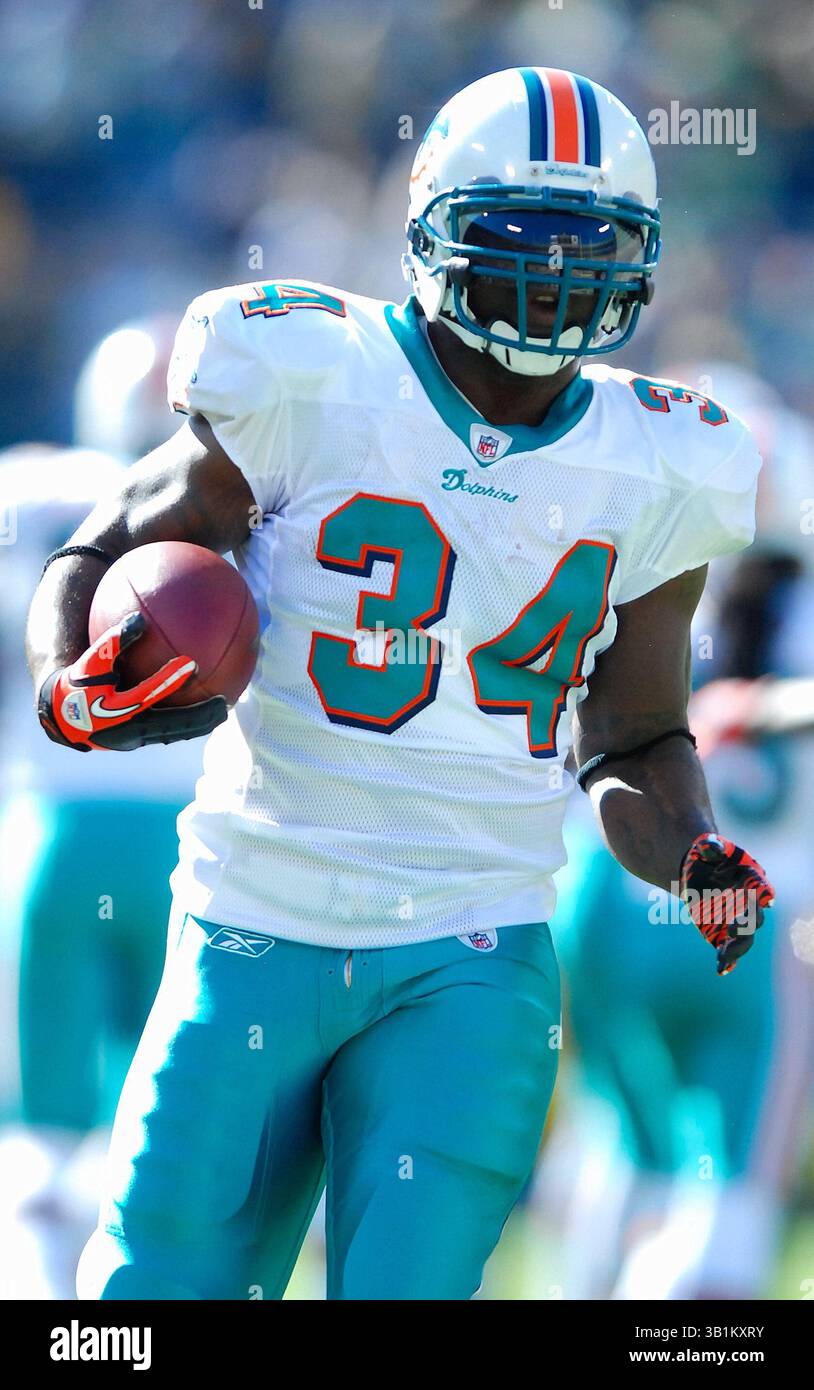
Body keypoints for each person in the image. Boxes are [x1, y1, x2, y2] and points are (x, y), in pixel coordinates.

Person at [26, 67, 773, 1301]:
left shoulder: (660, 461)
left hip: (470, 947)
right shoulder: (311, 372)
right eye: (525, 233)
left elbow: (632, 737)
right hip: (252, 917)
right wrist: (73, 686)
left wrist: (692, 850)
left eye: (593, 241)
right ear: (435, 227)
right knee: (149, 1300)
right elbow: (102, 547)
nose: (558, 270)